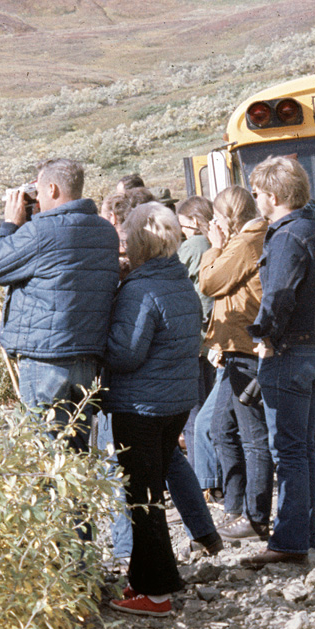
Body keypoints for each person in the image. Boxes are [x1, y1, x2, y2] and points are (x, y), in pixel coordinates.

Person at [100, 190, 221, 561]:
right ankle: (201, 534)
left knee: (136, 489)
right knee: (168, 461)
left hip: (141, 403)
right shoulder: (179, 280)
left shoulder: (141, 290)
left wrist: (97, 333)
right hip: (175, 399)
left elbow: (125, 353)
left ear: (137, 244)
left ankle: (136, 561)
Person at [0, 159, 121, 452]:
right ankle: (77, 501)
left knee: (45, 452)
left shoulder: (41, 232)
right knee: (75, 453)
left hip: (44, 357)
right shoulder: (105, 232)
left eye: (38, 193)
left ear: (52, 189)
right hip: (87, 356)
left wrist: (9, 224)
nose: (37, 201)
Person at [241, 156, 315, 568]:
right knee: (304, 450)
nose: (257, 200)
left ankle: (290, 541)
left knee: (291, 451)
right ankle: (302, 533)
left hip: (289, 353)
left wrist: (262, 335)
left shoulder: (284, 238)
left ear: (274, 196)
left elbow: (277, 296)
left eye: (259, 194)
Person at [199, 186, 274, 542]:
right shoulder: (249, 239)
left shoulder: (244, 243)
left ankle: (255, 517)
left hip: (246, 351)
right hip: (236, 350)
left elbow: (210, 282)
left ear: (227, 217)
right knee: (222, 429)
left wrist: (214, 245)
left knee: (252, 437)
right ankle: (236, 507)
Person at [175, 195, 219, 495]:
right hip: (211, 340)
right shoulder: (216, 245)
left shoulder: (192, 246)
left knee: (194, 416)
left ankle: (200, 480)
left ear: (191, 221)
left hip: (195, 339)